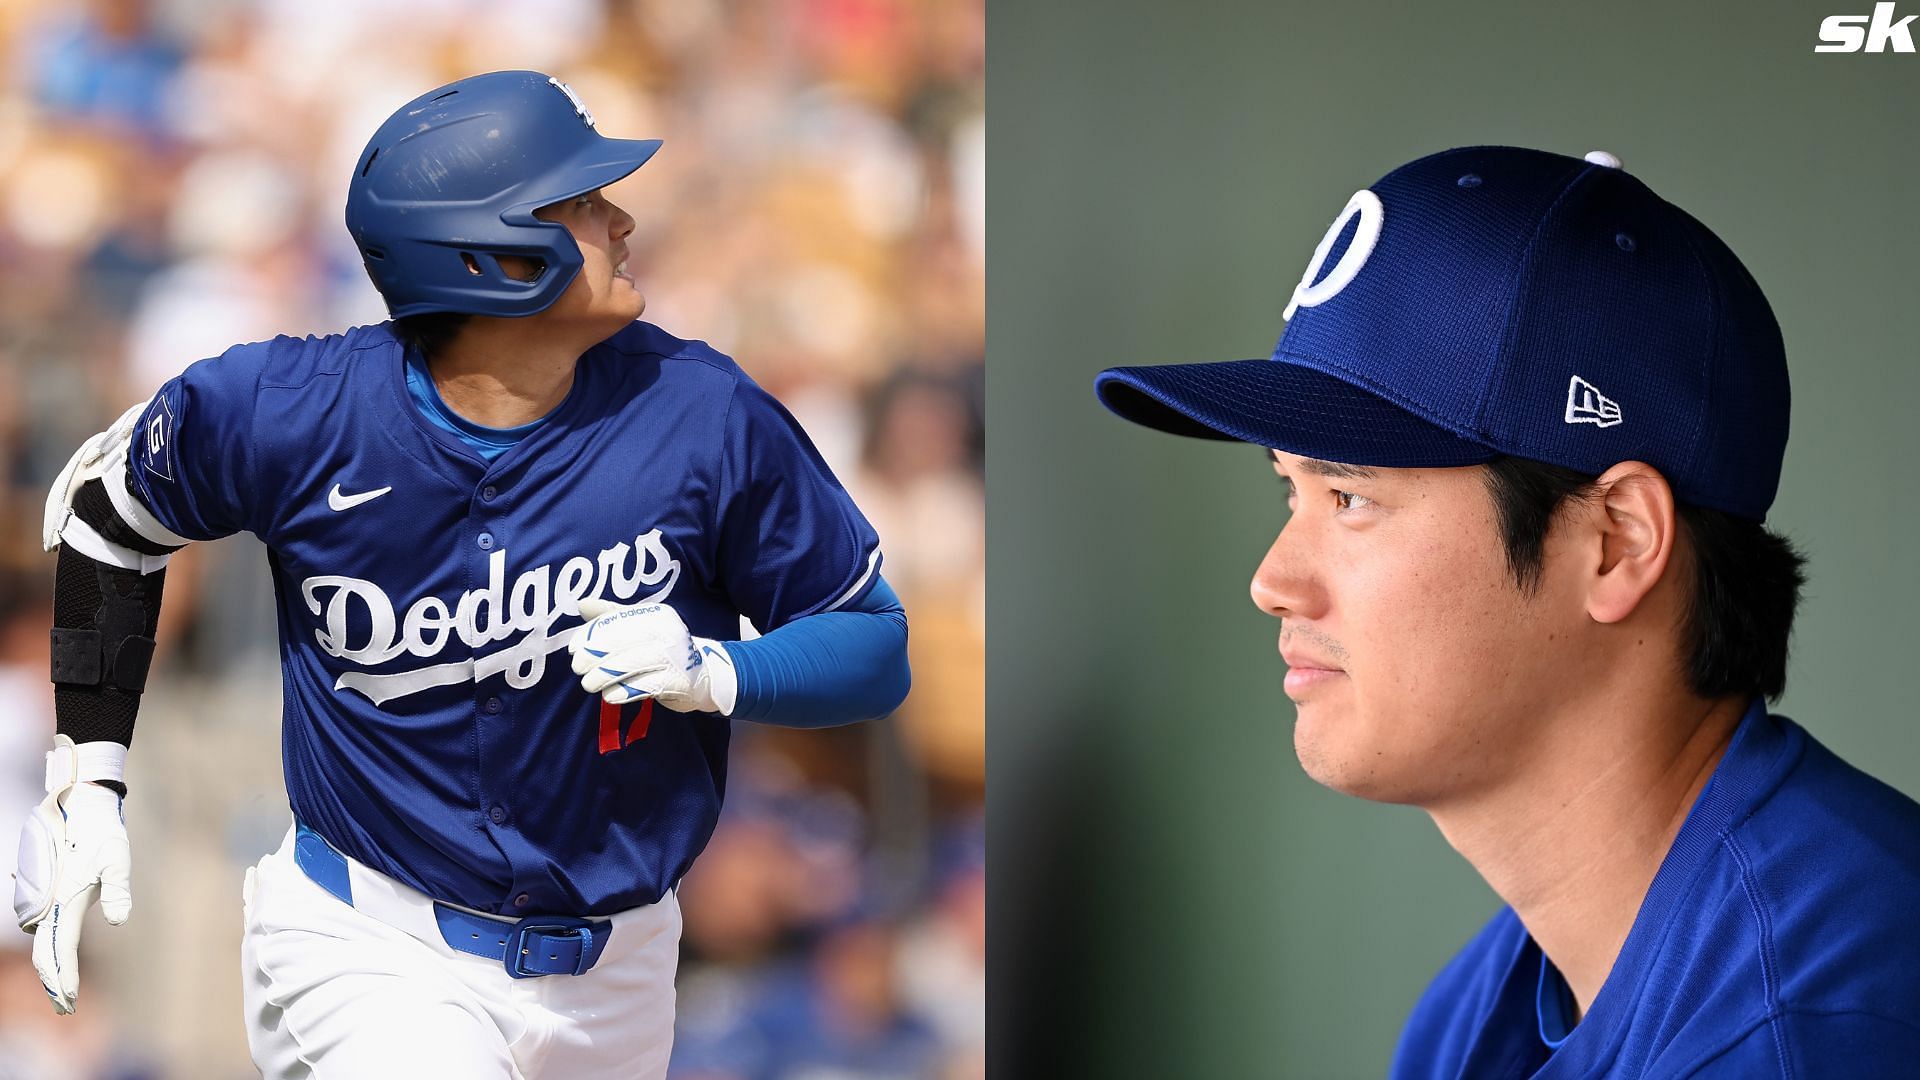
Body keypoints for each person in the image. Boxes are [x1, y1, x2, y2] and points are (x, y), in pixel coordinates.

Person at [19, 69, 910, 1079]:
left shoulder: (701, 412)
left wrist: (716, 672)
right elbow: (108, 512)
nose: (620, 221)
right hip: (371, 946)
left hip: (620, 970)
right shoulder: (291, 407)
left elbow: (875, 645)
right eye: (581, 205)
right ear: (491, 258)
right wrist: (87, 776)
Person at [1094, 145, 1920, 1076]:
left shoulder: (1808, 1031)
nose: (1273, 580)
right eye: (1291, 493)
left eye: (1350, 498)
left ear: (1615, 542)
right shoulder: (1478, 1016)